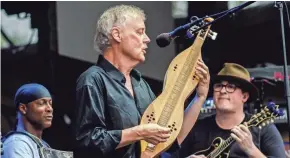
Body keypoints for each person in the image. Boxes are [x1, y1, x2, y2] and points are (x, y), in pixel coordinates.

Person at [75, 4, 210, 158]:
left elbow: (169, 140)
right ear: (117, 35)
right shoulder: (93, 79)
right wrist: (139, 132)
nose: (147, 39)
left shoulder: (140, 84)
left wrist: (200, 97)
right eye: (140, 32)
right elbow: (87, 141)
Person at [171, 63, 285, 158]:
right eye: (219, 86)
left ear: (244, 97)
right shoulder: (197, 127)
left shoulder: (264, 129)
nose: (223, 91)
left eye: (231, 87)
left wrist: (252, 150)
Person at [2, 83, 53, 158]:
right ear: (23, 108)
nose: (50, 109)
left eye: (50, 104)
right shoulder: (17, 143)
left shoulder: (43, 144)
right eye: (41, 103)